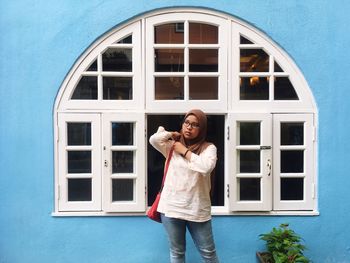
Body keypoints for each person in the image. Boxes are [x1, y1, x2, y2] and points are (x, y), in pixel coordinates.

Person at [149, 109, 219, 263]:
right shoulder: (171, 146)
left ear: (202, 129)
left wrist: (184, 151)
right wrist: (171, 134)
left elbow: (206, 167)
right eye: (187, 122)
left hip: (197, 209)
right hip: (171, 208)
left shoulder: (209, 148)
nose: (189, 127)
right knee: (177, 253)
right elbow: (154, 140)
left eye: (195, 125)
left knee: (209, 254)